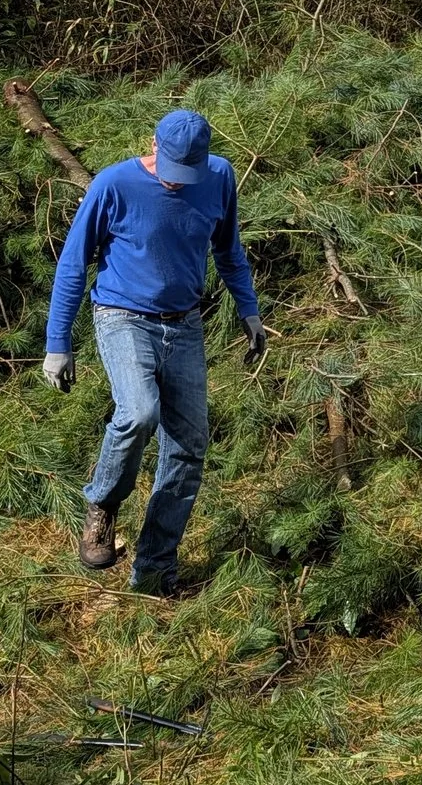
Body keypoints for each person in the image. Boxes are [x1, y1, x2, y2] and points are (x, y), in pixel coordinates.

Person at [43, 108, 265, 595]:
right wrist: (58, 342)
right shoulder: (113, 184)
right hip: (122, 317)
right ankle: (101, 506)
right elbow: (74, 264)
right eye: (170, 172)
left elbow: (229, 251)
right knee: (139, 413)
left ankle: (154, 573)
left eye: (188, 174)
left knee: (189, 449)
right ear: (153, 145)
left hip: (184, 325)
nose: (176, 184)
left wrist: (248, 309)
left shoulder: (219, 178)